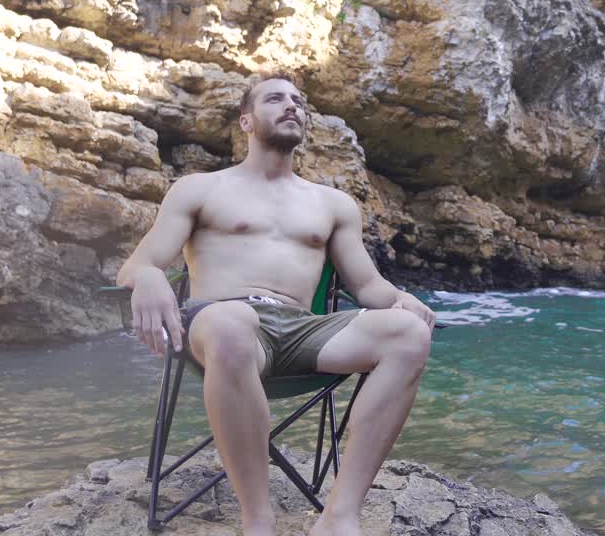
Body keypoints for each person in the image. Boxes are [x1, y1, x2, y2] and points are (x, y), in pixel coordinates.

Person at [117, 73, 436, 536]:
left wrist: (401, 299)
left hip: (301, 330)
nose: (291, 106)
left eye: (297, 101)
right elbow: (139, 263)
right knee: (233, 322)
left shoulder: (333, 204)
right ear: (246, 121)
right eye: (275, 99)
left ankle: (339, 516)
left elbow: (368, 286)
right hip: (223, 323)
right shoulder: (199, 188)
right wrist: (147, 277)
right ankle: (258, 520)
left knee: (409, 335)